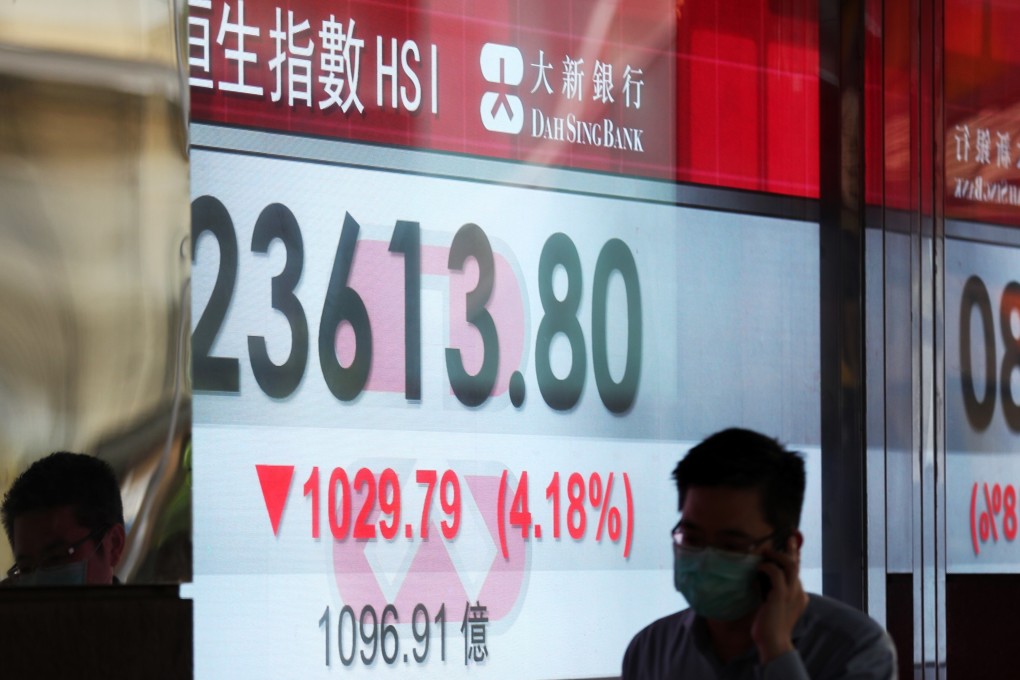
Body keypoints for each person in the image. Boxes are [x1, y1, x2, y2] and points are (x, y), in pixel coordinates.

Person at [623, 428, 896, 679]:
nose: (705, 558)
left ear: (788, 548)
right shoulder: (651, 648)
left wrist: (776, 649)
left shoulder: (856, 650)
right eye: (692, 538)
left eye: (731, 545)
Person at [1, 451, 126, 585]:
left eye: (56, 557)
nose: (39, 580)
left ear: (113, 545)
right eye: (25, 568)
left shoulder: (146, 606)